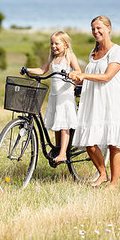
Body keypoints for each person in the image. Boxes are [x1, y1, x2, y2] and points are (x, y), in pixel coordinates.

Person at [69, 15, 120, 190]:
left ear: (109, 28)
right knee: (89, 140)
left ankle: (114, 183)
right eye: (93, 29)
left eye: (99, 28)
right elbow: (92, 78)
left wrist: (84, 75)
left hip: (112, 101)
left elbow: (107, 76)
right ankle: (102, 174)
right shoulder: (93, 53)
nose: (96, 31)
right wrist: (79, 80)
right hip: (93, 101)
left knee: (113, 142)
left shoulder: (117, 51)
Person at [25, 31, 81, 163]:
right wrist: (28, 70)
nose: (53, 46)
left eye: (57, 43)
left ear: (66, 45)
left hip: (65, 96)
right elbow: (42, 70)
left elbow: (78, 71)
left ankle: (63, 154)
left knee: (64, 124)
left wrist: (72, 75)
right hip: (55, 96)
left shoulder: (69, 57)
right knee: (57, 122)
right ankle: (58, 148)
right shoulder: (53, 58)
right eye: (51, 43)